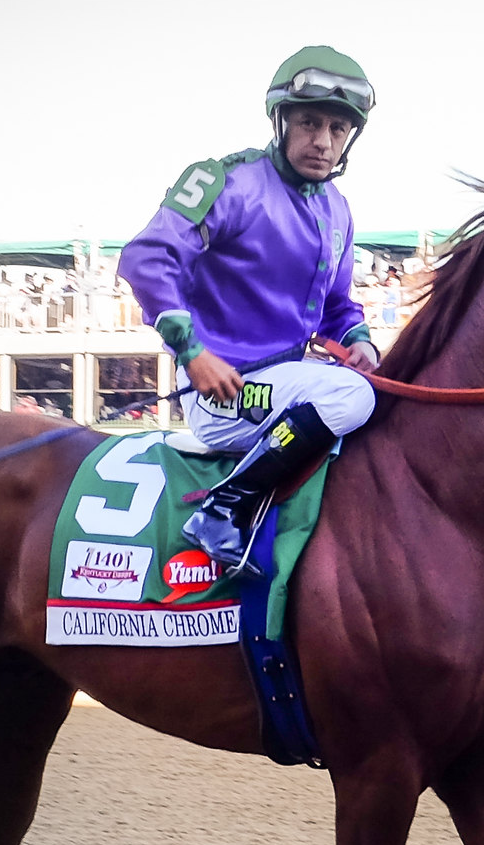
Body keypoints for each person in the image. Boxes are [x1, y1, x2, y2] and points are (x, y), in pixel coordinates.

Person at [117, 45, 380, 574]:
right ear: (281, 121)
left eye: (337, 128)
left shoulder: (338, 210)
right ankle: (223, 507)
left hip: (289, 380)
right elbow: (147, 258)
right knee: (352, 397)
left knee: (379, 392)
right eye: (309, 122)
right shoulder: (228, 182)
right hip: (224, 392)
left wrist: (359, 340)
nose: (323, 141)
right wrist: (193, 354)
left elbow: (336, 305)